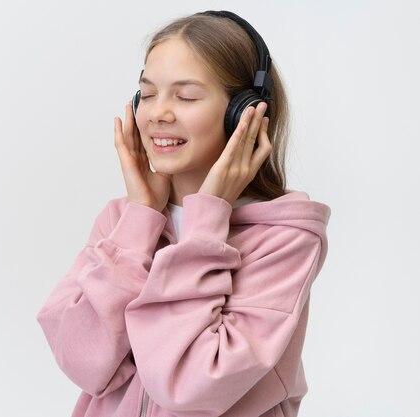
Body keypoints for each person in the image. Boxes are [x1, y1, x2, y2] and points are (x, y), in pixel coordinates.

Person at [36, 9, 330, 417]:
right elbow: (81, 359)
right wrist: (139, 219)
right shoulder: (122, 222)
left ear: (246, 112)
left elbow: (191, 386)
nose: (158, 113)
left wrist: (207, 221)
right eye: (149, 93)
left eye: (186, 96)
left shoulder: (284, 239)